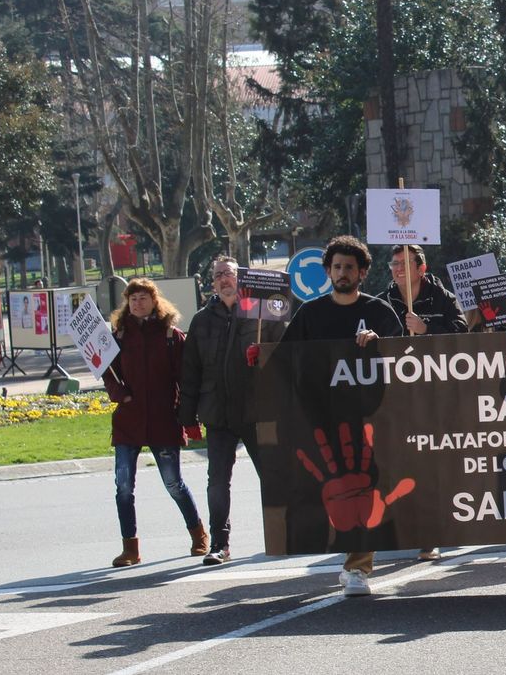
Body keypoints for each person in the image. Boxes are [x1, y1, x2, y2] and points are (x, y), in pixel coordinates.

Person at [281, 235, 405, 596]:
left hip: (369, 422)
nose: (342, 273)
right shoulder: (310, 313)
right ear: (327, 271)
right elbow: (285, 358)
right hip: (320, 420)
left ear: (362, 272)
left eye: (349, 267)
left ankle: (357, 567)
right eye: (336, 267)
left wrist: (379, 340)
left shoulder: (380, 312)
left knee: (362, 489)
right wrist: (261, 356)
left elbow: (404, 357)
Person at [179, 256, 286, 566]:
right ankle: (220, 544)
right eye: (217, 276)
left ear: (241, 279)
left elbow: (286, 352)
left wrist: (264, 354)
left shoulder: (262, 312)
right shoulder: (202, 319)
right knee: (217, 482)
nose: (224, 279)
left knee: (272, 475)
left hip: (258, 409)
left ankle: (281, 536)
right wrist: (187, 417)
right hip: (218, 414)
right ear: (212, 283)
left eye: (229, 273)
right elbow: (190, 371)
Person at [102, 278, 205, 567]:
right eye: (133, 298)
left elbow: (185, 378)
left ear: (154, 300)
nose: (137, 303)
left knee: (173, 483)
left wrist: (187, 415)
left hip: (163, 419)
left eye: (143, 298)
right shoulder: (118, 335)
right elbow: (106, 371)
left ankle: (198, 535)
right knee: (123, 487)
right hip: (128, 421)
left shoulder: (171, 335)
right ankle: (130, 549)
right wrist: (120, 395)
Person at [380, 245, 467, 562]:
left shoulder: (442, 297)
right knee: (410, 463)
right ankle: (420, 529)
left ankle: (442, 526)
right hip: (401, 398)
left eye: (404, 263)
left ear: (422, 267)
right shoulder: (383, 300)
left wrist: (427, 329)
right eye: (393, 263)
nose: (398, 269)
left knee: (440, 463)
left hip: (439, 395)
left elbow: (462, 332)